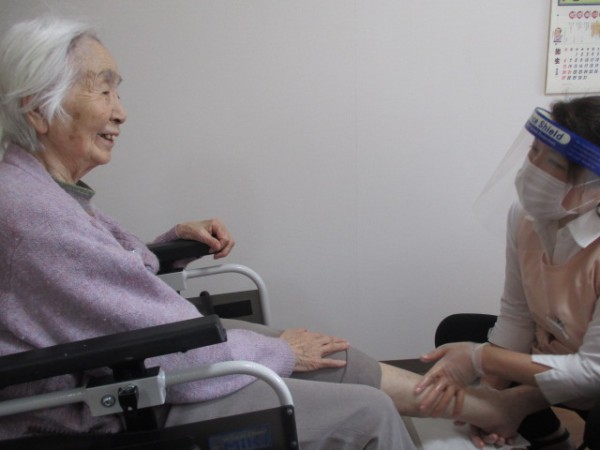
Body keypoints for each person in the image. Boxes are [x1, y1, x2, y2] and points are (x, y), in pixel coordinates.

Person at [0, 17, 540, 449]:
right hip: (107, 404)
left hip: (129, 362)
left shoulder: (36, 189)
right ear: (37, 109)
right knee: (366, 414)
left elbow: (95, 284)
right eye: (103, 90)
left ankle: (489, 408)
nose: (120, 113)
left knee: (337, 357)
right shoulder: (31, 213)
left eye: (118, 92)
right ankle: (476, 413)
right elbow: (131, 318)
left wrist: (167, 244)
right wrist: (279, 352)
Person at [415, 97, 600, 450]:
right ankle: (550, 439)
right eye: (534, 152)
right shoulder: (525, 217)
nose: (535, 170)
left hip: (593, 374)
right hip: (560, 350)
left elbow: (593, 374)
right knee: (458, 330)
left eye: (555, 164)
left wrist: (481, 359)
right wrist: (490, 400)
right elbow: (517, 315)